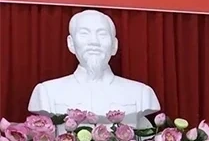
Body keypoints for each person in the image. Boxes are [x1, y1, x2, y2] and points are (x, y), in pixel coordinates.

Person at [28, 9, 161, 127]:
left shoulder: (142, 94)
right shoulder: (46, 93)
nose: (94, 42)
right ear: (71, 44)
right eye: (84, 33)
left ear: (114, 45)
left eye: (102, 34)